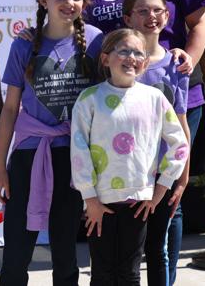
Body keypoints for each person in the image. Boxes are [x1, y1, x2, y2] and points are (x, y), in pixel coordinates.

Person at [81, 0, 205, 285]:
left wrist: (189, 55)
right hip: (119, 111)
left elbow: (200, 21)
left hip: (174, 97)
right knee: (126, 198)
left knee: (169, 197)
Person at [0, 0, 103, 285]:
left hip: (73, 157)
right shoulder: (25, 44)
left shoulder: (95, 43)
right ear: (44, 1)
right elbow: (10, 108)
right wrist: (1, 167)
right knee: (16, 249)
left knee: (66, 250)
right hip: (29, 156)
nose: (69, 3)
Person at [70, 28, 189, 286]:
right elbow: (79, 149)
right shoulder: (89, 100)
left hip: (138, 202)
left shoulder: (155, 99)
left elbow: (179, 144)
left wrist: (160, 190)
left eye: (137, 52)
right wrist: (89, 198)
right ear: (105, 59)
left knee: (129, 273)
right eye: (123, 50)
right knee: (101, 272)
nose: (131, 57)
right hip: (100, 201)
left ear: (145, 63)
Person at [122, 0, 191, 286]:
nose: (151, 16)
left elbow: (181, 123)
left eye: (157, 10)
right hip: (127, 171)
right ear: (128, 17)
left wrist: (183, 177)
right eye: (143, 10)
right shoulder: (121, 61)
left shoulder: (176, 64)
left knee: (157, 247)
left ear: (166, 16)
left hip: (163, 173)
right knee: (128, 248)